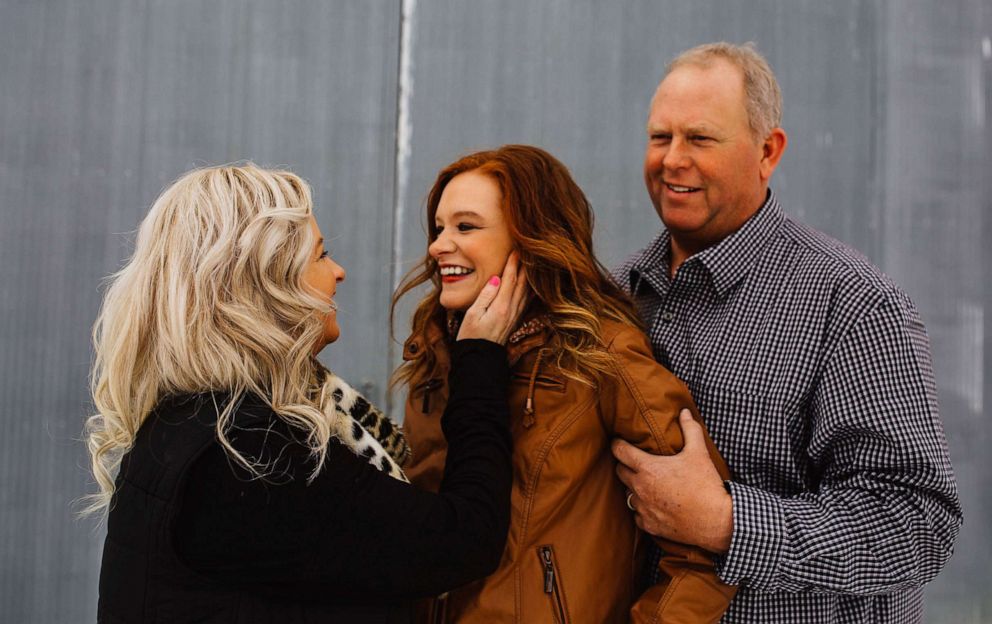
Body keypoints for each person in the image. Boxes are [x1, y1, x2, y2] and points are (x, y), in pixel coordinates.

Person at [611, 42, 963, 622]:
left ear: (767, 152)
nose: (673, 159)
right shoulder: (616, 293)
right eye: (659, 137)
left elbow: (918, 523)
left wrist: (726, 522)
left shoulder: (853, 304)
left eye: (700, 139)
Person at [84, 163, 529, 623]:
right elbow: (460, 541)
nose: (338, 272)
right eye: (320, 255)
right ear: (264, 283)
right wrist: (479, 359)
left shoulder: (188, 420)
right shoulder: (250, 457)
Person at [393, 145, 737, 623]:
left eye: (465, 227)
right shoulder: (436, 354)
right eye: (439, 228)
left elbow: (707, 547)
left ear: (530, 236)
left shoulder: (601, 355)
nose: (437, 246)